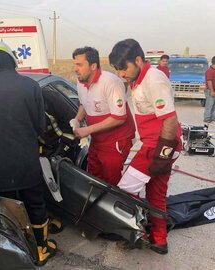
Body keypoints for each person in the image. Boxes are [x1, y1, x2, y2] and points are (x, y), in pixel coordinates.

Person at [0, 41, 57, 266]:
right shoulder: (29, 85)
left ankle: (13, 250)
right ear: (11, 60)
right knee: (34, 202)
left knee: (1, 207)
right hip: (24, 160)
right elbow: (40, 125)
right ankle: (41, 249)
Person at [109, 39, 182, 255]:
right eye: (117, 70)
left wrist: (162, 156)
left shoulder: (153, 79)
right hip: (158, 144)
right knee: (156, 194)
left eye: (124, 68)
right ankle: (159, 240)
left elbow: (169, 120)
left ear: (138, 60)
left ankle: (133, 234)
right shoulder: (137, 78)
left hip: (159, 145)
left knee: (125, 191)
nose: (121, 74)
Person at [71, 47, 135, 186]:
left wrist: (86, 130)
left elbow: (119, 117)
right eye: (74, 64)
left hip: (116, 140)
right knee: (94, 177)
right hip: (97, 139)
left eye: (79, 65)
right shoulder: (81, 82)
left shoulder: (110, 82)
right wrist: (76, 119)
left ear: (93, 66)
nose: (75, 69)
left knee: (111, 182)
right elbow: (84, 104)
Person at [204, 56, 215, 123]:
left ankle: (213, 118)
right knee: (209, 105)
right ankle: (207, 118)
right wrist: (212, 91)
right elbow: (209, 81)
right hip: (210, 90)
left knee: (214, 105)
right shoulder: (209, 71)